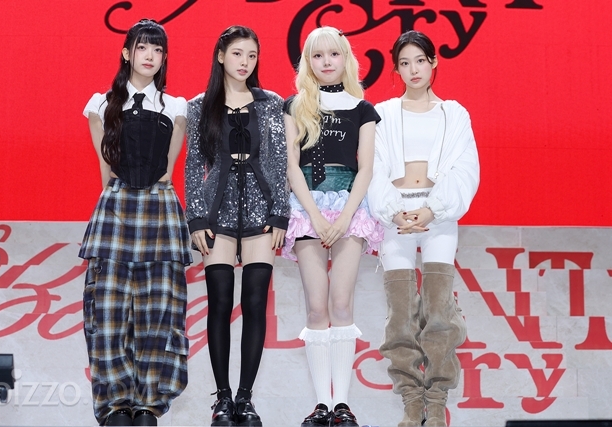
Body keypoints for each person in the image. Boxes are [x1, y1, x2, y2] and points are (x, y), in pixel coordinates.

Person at [79, 19, 191, 427]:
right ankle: (115, 406)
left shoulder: (176, 107)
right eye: (142, 47)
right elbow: (105, 170)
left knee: (160, 311)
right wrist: (117, 200)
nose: (150, 56)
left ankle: (148, 404)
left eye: (158, 50)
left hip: (159, 209)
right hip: (116, 208)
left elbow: (168, 172)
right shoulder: (100, 104)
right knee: (107, 312)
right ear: (127, 52)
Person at [368, 30, 479, 427]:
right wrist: (392, 211)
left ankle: (437, 401)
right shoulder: (382, 113)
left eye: (420, 60)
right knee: (399, 315)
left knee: (438, 312)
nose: (413, 69)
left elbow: (465, 168)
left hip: (439, 216)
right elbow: (372, 167)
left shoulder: (454, 113)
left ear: (434, 62)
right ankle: (411, 402)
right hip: (395, 217)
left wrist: (433, 210)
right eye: (404, 63)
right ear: (396, 69)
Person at [185, 25, 288, 427]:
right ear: (220, 56)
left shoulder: (271, 103)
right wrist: (196, 218)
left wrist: (279, 214)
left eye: (252, 55)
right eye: (237, 54)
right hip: (217, 213)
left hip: (262, 213)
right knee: (220, 303)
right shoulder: (199, 106)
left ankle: (246, 398)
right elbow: (193, 166)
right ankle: (223, 399)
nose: (245, 62)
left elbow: (278, 162)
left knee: (256, 303)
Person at [283, 26, 383, 427]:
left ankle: (342, 404)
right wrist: (315, 216)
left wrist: (343, 219)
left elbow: (366, 168)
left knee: (342, 304)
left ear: (346, 58)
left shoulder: (363, 109)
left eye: (334, 54)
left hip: (350, 209)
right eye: (318, 55)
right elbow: (292, 167)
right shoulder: (295, 106)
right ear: (308, 62)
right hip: (306, 207)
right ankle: (321, 405)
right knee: (316, 306)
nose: (327, 62)